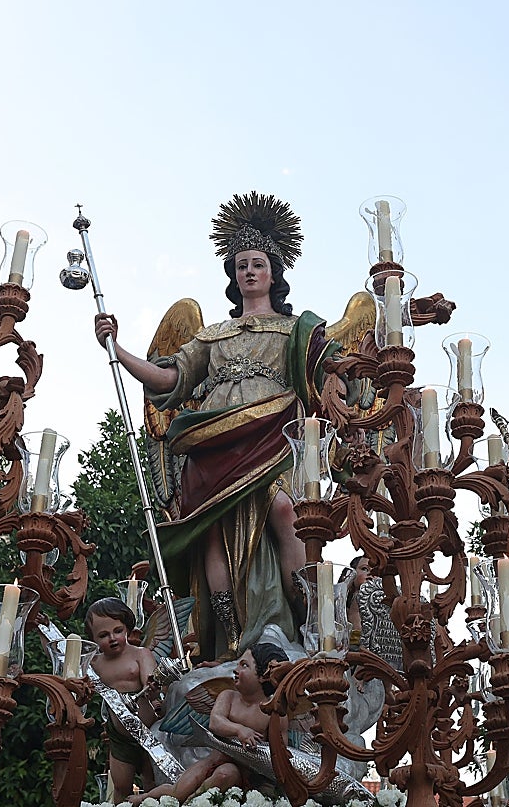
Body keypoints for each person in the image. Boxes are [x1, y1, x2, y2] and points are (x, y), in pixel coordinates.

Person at [94, 192, 341, 661]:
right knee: (213, 531)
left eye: (258, 264)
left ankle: (309, 615)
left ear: (274, 273)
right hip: (212, 438)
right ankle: (226, 638)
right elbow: (170, 378)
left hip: (274, 435)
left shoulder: (298, 331)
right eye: (240, 265)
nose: (248, 271)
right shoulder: (213, 335)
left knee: (287, 512)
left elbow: (331, 373)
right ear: (233, 276)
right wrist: (117, 348)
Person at [130, 642, 288, 804]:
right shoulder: (228, 697)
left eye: (244, 665)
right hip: (214, 760)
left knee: (226, 774)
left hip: (250, 775)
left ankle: (192, 802)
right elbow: (215, 722)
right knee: (178, 790)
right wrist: (239, 730)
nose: (235, 670)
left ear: (264, 676)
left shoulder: (274, 712)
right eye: (238, 664)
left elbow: (281, 752)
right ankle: (142, 799)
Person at [85, 598, 163, 800]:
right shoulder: (95, 664)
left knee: (152, 782)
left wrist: (152, 685)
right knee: (120, 786)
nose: (112, 638)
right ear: (93, 639)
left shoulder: (140, 654)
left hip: (149, 732)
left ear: (127, 628)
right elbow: (65, 660)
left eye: (117, 631)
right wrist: (44, 629)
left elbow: (150, 680)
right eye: (103, 635)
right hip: (119, 736)